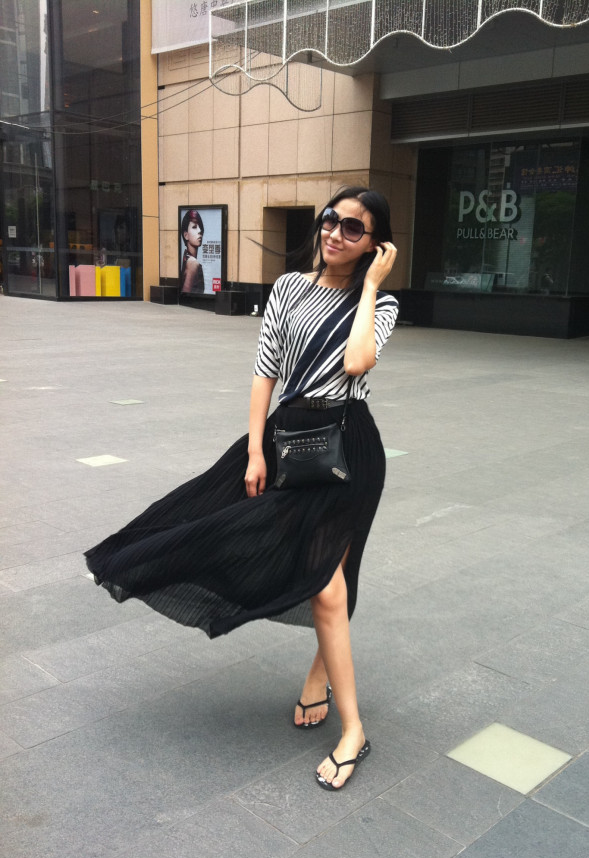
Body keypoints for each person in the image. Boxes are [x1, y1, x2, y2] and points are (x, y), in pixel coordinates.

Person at [85, 186, 398, 791]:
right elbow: (265, 372)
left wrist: (367, 289)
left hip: (351, 448)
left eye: (353, 229)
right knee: (263, 547)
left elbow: (357, 362)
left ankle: (351, 728)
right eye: (330, 220)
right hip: (288, 441)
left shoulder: (379, 305)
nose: (335, 234)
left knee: (333, 582)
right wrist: (255, 449)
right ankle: (324, 681)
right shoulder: (288, 288)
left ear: (374, 245)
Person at [180, 209, 205, 293]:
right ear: (186, 235)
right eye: (194, 227)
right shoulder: (193, 263)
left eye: (200, 227)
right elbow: (186, 294)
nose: (200, 231)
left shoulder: (187, 258)